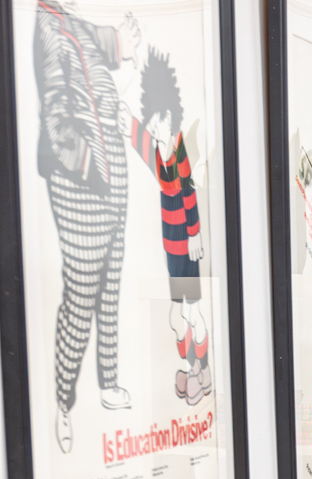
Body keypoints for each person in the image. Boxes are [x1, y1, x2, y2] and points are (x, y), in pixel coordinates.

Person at [35, 3, 141, 452]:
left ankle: (108, 379)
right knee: (81, 291)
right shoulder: (46, 25)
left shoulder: (70, 21)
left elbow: (101, 40)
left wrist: (122, 39)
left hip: (110, 170)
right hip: (81, 179)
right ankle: (61, 401)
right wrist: (89, 168)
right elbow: (55, 114)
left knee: (110, 280)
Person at [119, 46, 210, 405]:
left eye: (161, 122)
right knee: (181, 315)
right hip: (173, 247)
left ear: (170, 118)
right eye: (154, 123)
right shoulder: (161, 153)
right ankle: (195, 368)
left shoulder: (178, 153)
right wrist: (127, 118)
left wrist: (194, 233)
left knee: (187, 312)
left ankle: (196, 369)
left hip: (186, 247)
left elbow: (186, 193)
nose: (157, 130)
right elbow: (143, 144)